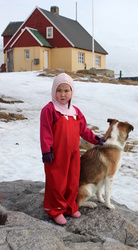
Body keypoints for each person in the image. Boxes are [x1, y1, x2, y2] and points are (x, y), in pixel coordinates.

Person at [40, 73, 105, 225]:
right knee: (57, 182)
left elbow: (84, 130)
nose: (62, 94)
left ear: (72, 92)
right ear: (53, 91)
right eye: (59, 90)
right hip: (55, 155)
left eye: (66, 90)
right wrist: (47, 150)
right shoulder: (49, 110)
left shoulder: (75, 111)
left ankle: (70, 206)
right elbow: (45, 132)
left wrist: (96, 139)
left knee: (72, 181)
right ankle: (56, 210)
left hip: (73, 154)